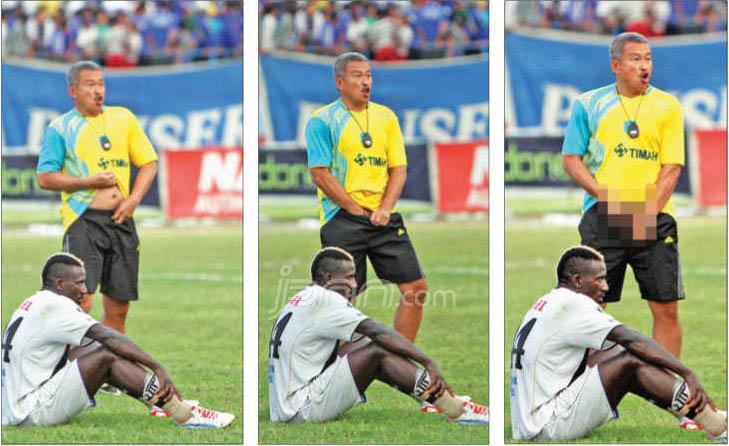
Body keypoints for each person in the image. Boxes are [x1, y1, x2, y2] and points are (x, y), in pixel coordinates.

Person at [560, 32, 691, 428]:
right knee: (592, 309)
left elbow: (672, 167)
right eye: (635, 59)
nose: (644, 65)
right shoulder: (589, 104)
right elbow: (571, 158)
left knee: (665, 307)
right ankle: (581, 397)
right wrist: (603, 194)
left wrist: (648, 209)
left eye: (648, 58)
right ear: (616, 65)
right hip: (605, 216)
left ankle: (677, 401)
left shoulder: (668, 105)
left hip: (654, 217)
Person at [509, 246, 726, 441]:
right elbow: (631, 339)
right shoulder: (574, 305)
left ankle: (700, 415)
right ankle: (717, 425)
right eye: (599, 279)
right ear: (577, 281)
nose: (605, 287)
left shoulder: (551, 301)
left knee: (620, 351)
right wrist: (688, 373)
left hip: (534, 418)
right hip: (547, 424)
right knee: (631, 356)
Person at [1, 253, 234, 429]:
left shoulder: (34, 302)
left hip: (15, 406)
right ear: (60, 284)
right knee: (108, 354)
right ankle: (185, 415)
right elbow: (108, 337)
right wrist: (157, 366)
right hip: (29, 412)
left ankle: (158, 400)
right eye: (79, 283)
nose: (85, 289)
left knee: (96, 348)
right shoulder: (56, 306)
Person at [268, 247, 488, 424]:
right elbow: (377, 330)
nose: (355, 284)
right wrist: (427, 361)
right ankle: (455, 410)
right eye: (350, 277)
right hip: (300, 409)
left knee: (368, 343)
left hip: (285, 404)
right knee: (379, 348)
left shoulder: (303, 297)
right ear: (330, 278)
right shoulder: (327, 301)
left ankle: (436, 399)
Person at [306, 52, 429, 348]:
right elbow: (320, 174)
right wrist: (353, 208)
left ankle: (399, 359)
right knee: (341, 300)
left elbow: (398, 169)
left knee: (416, 289)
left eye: (369, 76)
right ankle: (333, 369)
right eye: (358, 76)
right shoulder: (322, 120)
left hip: (382, 217)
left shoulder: (386, 117)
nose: (365, 82)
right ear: (339, 82)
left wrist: (385, 208)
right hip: (342, 218)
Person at [37, 60, 158, 337]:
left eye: (101, 83)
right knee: (81, 300)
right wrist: (89, 182)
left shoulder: (123, 118)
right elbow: (45, 178)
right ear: (73, 90)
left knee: (118, 307)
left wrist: (133, 200)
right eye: (90, 84)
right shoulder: (60, 128)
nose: (98, 90)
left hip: (121, 220)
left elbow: (149, 163)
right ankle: (68, 370)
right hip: (83, 221)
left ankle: (107, 371)